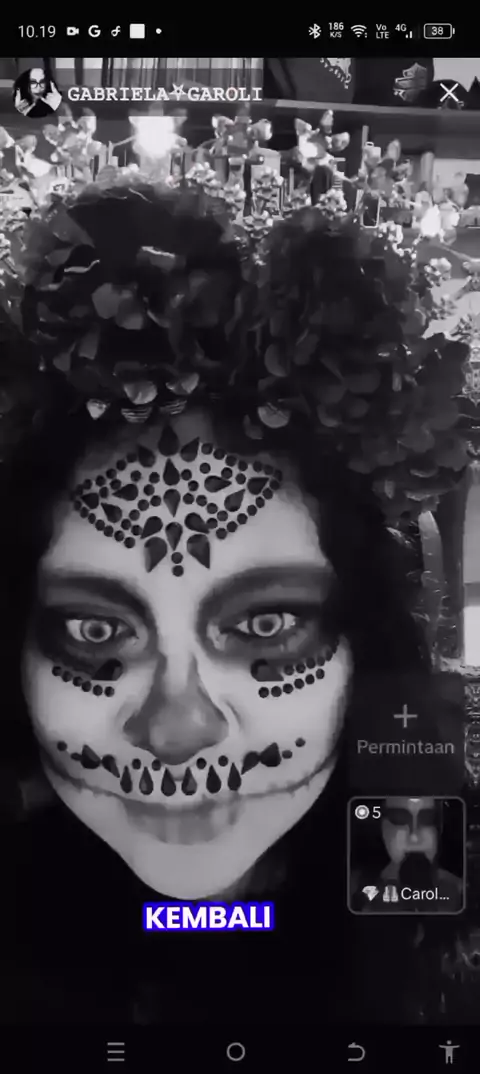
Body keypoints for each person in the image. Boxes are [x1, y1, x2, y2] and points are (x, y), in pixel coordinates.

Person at [0, 182, 464, 1025]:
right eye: (95, 630)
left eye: (266, 624)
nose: (176, 731)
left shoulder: (442, 936)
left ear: (362, 643)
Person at [352, 796, 464, 913]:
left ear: (439, 828)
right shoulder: (357, 887)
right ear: (383, 828)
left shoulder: (460, 890)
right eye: (399, 819)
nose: (414, 837)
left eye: (427, 820)